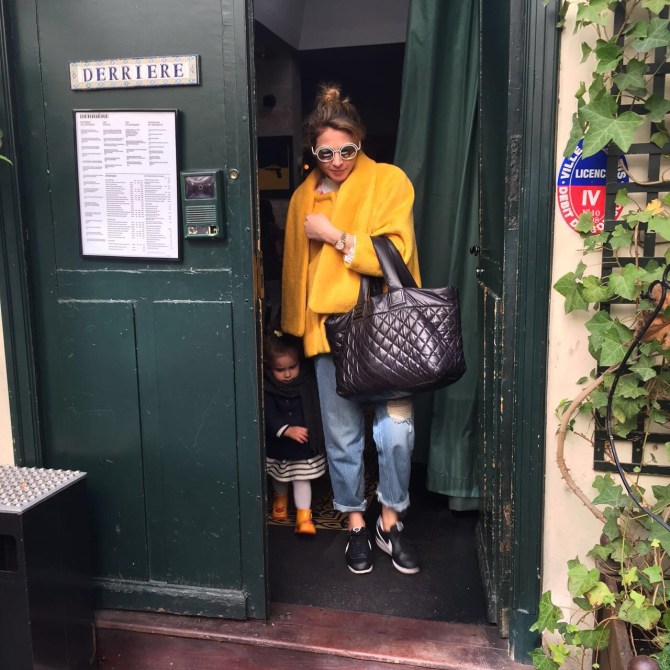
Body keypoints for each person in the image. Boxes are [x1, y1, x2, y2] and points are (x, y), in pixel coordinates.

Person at [281, 83, 421, 574]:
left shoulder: (389, 181)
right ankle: (356, 524)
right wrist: (297, 329)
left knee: (396, 433)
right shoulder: (303, 197)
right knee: (343, 439)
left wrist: (335, 235)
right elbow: (295, 272)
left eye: (347, 150)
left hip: (385, 330)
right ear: (313, 151)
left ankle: (390, 520)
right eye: (326, 153)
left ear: (360, 142)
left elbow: (396, 253)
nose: (337, 161)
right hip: (328, 333)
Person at [264, 329, 326, 535]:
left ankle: (304, 515)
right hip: (279, 444)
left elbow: (315, 407)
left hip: (302, 446)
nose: (288, 374)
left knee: (302, 478)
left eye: (292, 367)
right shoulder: (267, 387)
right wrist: (285, 430)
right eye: (280, 369)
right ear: (270, 367)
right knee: (279, 477)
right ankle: (280, 499)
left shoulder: (307, 382)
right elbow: (268, 413)